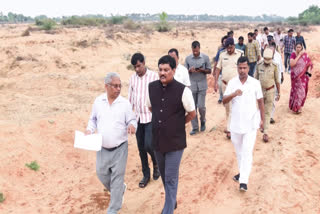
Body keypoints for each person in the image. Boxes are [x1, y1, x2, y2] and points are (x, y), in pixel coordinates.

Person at [147, 55, 196, 214]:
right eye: (160, 69)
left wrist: (177, 124)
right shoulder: (151, 87)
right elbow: (151, 108)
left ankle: (167, 210)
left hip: (175, 143)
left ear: (174, 70)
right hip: (158, 141)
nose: (162, 73)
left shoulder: (183, 91)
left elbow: (192, 113)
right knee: (163, 174)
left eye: (166, 70)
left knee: (170, 177)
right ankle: (172, 200)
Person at [86, 72, 137, 214]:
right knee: (101, 173)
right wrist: (89, 130)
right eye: (115, 86)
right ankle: (119, 189)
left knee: (117, 177)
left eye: (120, 86)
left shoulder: (124, 103)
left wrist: (132, 126)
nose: (118, 89)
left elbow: (132, 120)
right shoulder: (98, 101)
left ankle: (113, 209)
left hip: (120, 148)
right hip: (101, 147)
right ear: (106, 86)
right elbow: (93, 119)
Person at [222, 56, 265, 192]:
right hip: (235, 124)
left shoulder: (255, 83)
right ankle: (242, 172)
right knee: (239, 152)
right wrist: (234, 94)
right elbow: (224, 100)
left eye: (244, 68)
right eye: (240, 68)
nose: (242, 70)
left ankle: (244, 181)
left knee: (247, 151)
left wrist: (262, 120)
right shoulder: (232, 83)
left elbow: (261, 102)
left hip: (251, 124)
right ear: (237, 68)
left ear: (248, 68)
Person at [129, 53, 160, 188]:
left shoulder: (154, 76)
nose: (137, 69)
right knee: (141, 148)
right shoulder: (132, 79)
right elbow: (130, 99)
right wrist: (130, 119)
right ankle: (146, 175)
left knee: (148, 145)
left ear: (144, 62)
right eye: (135, 67)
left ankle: (156, 162)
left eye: (139, 66)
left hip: (150, 117)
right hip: (138, 118)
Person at [215, 37, 243, 139]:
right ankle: (230, 126)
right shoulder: (222, 55)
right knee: (227, 107)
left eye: (230, 47)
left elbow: (244, 68)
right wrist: (215, 82)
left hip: (237, 86)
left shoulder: (240, 54)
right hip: (225, 85)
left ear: (234, 46)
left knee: (236, 107)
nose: (229, 50)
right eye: (227, 48)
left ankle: (230, 129)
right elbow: (218, 68)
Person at [185, 41, 211, 135]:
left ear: (199, 48)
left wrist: (202, 70)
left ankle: (203, 120)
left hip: (202, 85)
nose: (195, 53)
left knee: (201, 106)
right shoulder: (187, 59)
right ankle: (195, 127)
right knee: (192, 108)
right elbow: (185, 72)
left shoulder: (205, 57)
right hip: (192, 86)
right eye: (193, 51)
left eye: (196, 51)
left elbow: (209, 70)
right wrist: (189, 70)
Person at [255, 48, 280, 143]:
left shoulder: (275, 66)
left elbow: (277, 80)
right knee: (261, 110)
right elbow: (255, 78)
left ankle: (266, 132)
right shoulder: (259, 65)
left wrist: (279, 92)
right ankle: (262, 124)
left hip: (270, 91)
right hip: (260, 91)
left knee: (268, 111)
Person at [289, 42, 313, 114]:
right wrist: (299, 55)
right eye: (297, 47)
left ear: (302, 48)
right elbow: (292, 64)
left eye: (299, 47)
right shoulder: (293, 55)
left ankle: (298, 106)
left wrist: (308, 72)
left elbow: (309, 64)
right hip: (295, 77)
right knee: (296, 91)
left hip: (303, 77)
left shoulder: (305, 55)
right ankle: (296, 107)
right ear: (295, 47)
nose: (298, 48)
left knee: (302, 92)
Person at [269, 43, 284, 124]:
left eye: (272, 49)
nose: (271, 51)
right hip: (267, 80)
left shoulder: (278, 56)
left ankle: (271, 116)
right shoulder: (266, 56)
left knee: (274, 98)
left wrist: (282, 75)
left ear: (275, 49)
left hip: (276, 79)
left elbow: (280, 66)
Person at [213, 35, 228, 104]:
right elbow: (216, 61)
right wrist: (214, 70)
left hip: (228, 71)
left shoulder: (231, 51)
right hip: (220, 71)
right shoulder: (220, 51)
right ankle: (221, 97)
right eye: (224, 41)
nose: (225, 43)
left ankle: (226, 97)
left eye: (226, 41)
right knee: (220, 84)